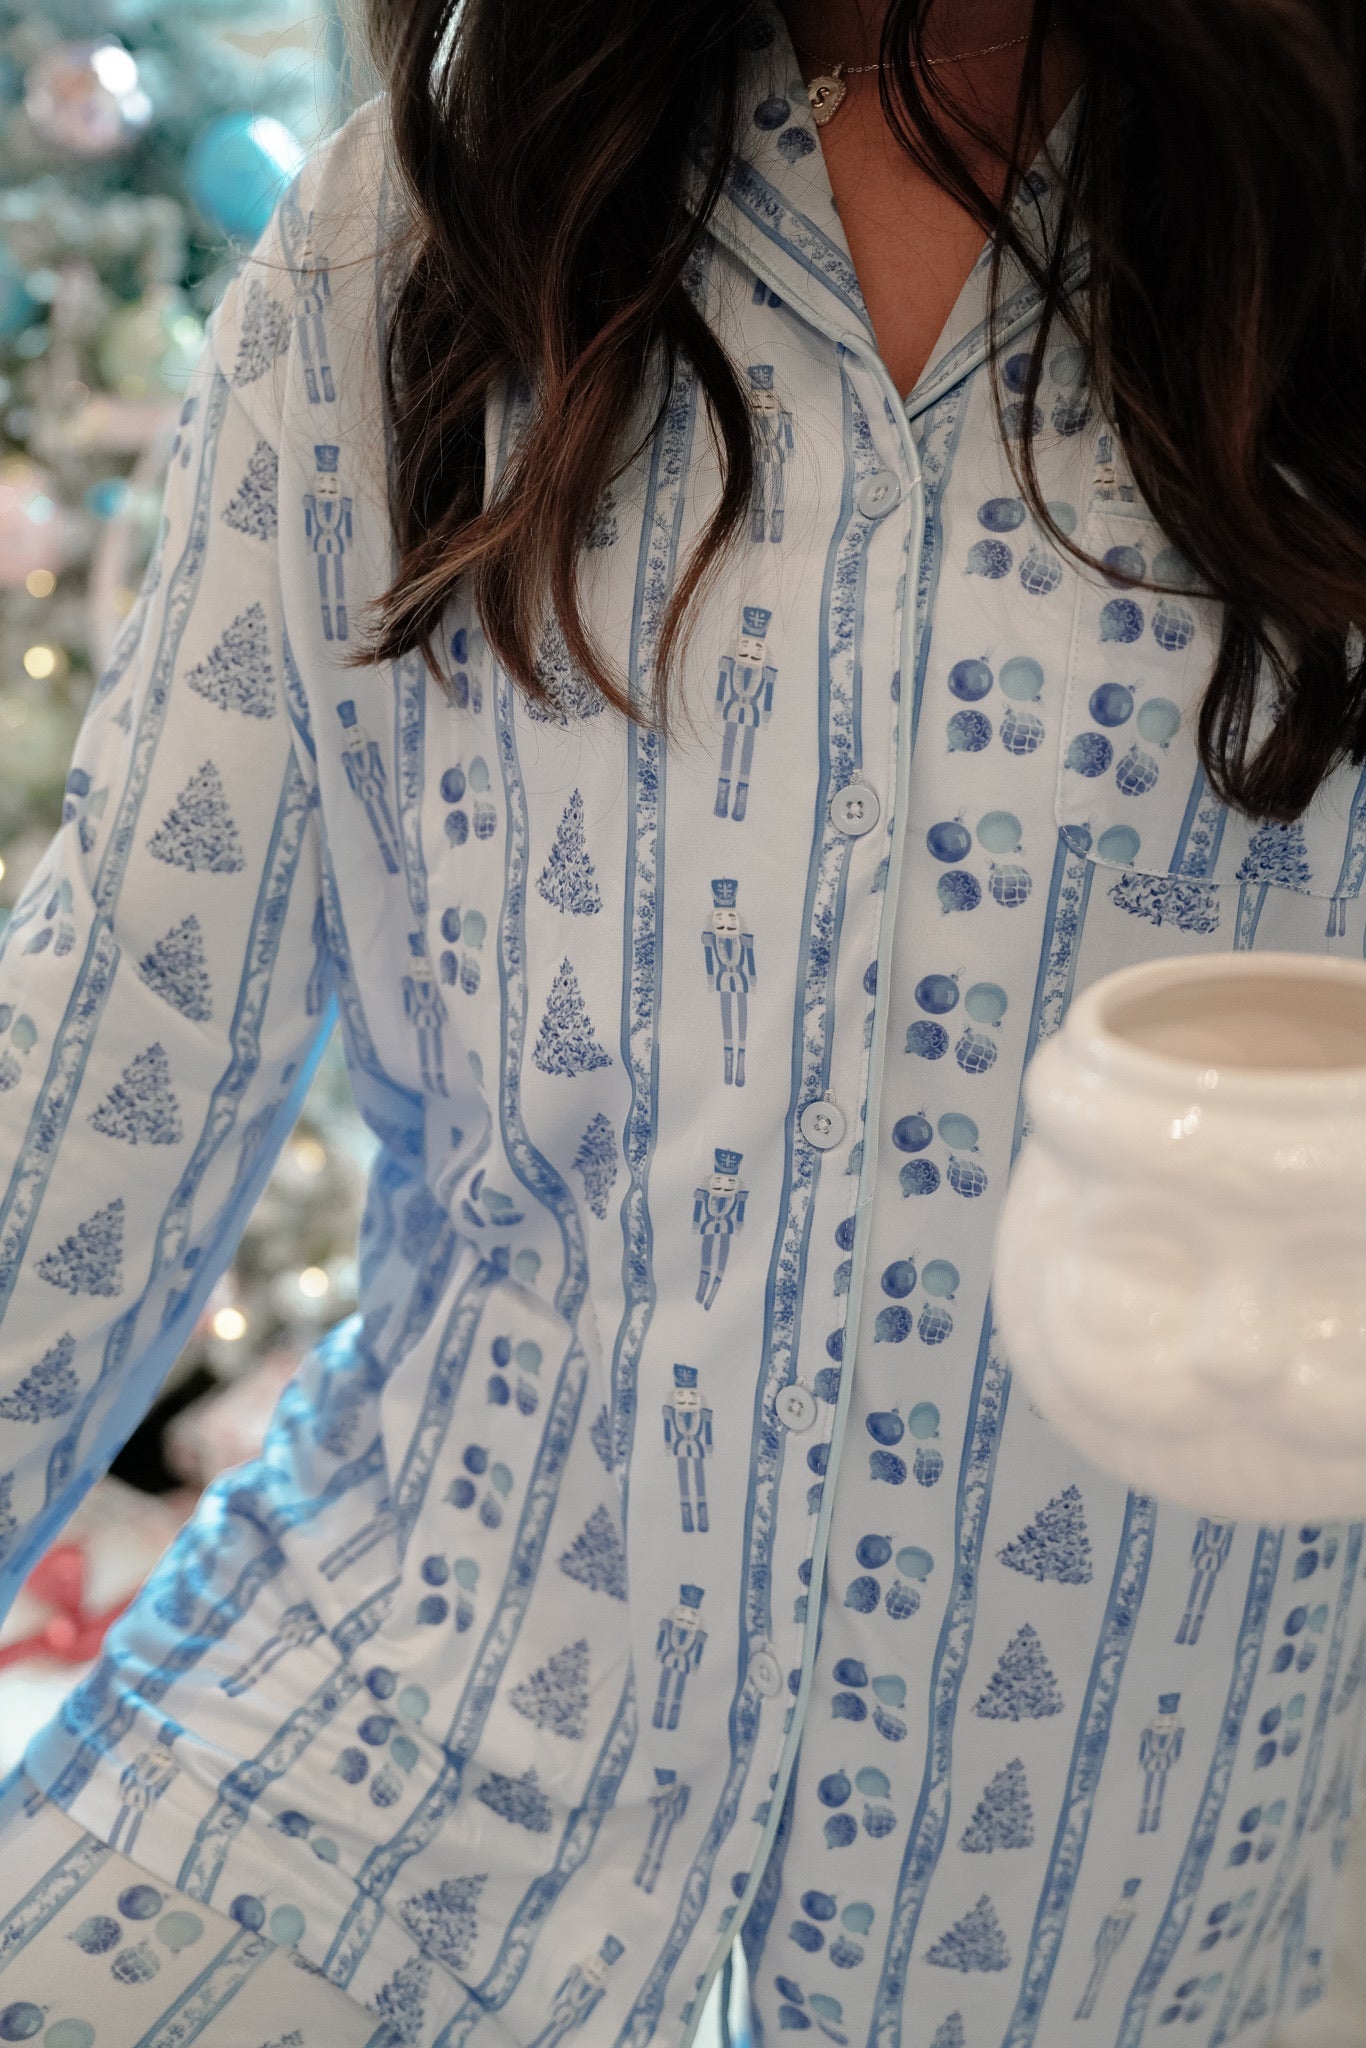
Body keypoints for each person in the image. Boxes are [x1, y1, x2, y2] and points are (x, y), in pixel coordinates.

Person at [0, 0, 1364, 2042]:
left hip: (1124, 1902)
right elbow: (102, 1058)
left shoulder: (1318, 233)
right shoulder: (419, 236)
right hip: (366, 1771)